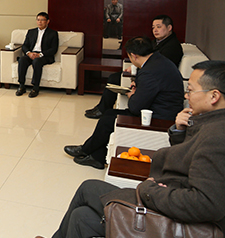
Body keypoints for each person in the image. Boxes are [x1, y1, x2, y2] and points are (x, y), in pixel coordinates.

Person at [35, 60, 225, 238]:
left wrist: (150, 190)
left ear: (214, 96)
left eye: (191, 90)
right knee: (82, 215)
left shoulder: (222, 138)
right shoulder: (219, 122)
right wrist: (179, 132)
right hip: (170, 201)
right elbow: (191, 158)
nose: (187, 96)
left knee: (86, 194)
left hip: (181, 222)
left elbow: (206, 205)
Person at [65, 36, 183, 169]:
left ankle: (85, 150)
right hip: (163, 110)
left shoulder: (149, 72)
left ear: (133, 56)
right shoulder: (158, 61)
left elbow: (135, 107)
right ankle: (96, 157)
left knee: (108, 119)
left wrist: (131, 95)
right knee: (109, 114)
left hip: (159, 118)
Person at [85, 14, 183, 119]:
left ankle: (103, 109)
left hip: (159, 91)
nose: (155, 30)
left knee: (114, 79)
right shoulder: (156, 42)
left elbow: (156, 70)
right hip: (152, 80)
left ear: (169, 28)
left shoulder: (172, 47)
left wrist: (137, 79)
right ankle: (102, 108)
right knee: (113, 78)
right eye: (153, 27)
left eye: (159, 27)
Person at [15, 12, 59, 98]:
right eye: (38, 20)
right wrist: (29, 53)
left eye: (42, 20)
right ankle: (21, 86)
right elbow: (25, 45)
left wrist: (40, 54)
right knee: (22, 60)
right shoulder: (31, 32)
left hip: (44, 55)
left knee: (37, 61)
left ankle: (35, 87)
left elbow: (54, 49)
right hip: (32, 53)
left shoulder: (53, 33)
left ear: (48, 21)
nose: (40, 22)